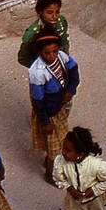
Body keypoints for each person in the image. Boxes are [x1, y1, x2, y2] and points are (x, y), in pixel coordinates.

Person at [28, 27, 80, 182]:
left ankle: (49, 163)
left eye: (54, 51)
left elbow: (74, 72)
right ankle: (51, 174)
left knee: (59, 142)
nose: (51, 56)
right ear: (40, 52)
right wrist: (44, 122)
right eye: (47, 53)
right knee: (54, 149)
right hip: (49, 114)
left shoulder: (62, 57)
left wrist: (70, 90)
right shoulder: (37, 73)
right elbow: (38, 101)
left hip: (59, 109)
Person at [53, 126, 106, 210]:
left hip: (94, 200)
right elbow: (58, 179)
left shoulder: (96, 165)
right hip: (76, 201)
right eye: (63, 148)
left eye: (68, 150)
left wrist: (94, 190)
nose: (63, 153)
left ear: (80, 154)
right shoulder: (61, 163)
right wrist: (69, 188)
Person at [18, 0, 70, 68]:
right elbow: (23, 58)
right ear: (40, 12)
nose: (54, 16)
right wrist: (41, 67)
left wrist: (66, 61)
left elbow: (64, 42)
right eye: (50, 12)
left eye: (57, 12)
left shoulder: (61, 22)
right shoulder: (32, 34)